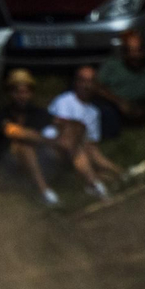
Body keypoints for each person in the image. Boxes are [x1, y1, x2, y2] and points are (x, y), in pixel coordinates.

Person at [0, 68, 67, 207]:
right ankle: (45, 193)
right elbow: (15, 132)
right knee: (24, 146)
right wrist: (49, 141)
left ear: (31, 92)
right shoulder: (3, 115)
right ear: (10, 93)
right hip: (4, 166)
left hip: (37, 162)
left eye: (25, 91)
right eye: (17, 91)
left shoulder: (38, 112)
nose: (21, 96)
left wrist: (64, 134)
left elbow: (62, 123)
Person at [49, 66, 126, 200]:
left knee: (91, 153)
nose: (86, 85)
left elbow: (92, 146)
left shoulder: (93, 112)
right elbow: (62, 129)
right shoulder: (65, 100)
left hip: (76, 152)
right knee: (77, 136)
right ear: (76, 82)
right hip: (53, 146)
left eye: (90, 81)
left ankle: (121, 174)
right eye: (83, 81)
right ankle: (96, 185)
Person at [96, 29, 145, 139]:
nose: (135, 55)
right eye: (131, 51)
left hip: (128, 113)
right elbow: (95, 86)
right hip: (105, 103)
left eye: (138, 51)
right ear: (124, 53)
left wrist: (139, 111)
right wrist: (119, 102)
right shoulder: (112, 65)